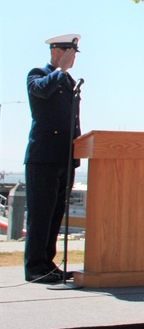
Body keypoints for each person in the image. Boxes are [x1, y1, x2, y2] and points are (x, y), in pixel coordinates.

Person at [23, 34, 82, 284]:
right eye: (69, 53)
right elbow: (41, 91)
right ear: (57, 51)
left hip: (64, 157)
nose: (72, 59)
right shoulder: (38, 74)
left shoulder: (67, 80)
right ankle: (35, 267)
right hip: (43, 157)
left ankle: (48, 263)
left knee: (55, 214)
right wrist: (59, 69)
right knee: (40, 214)